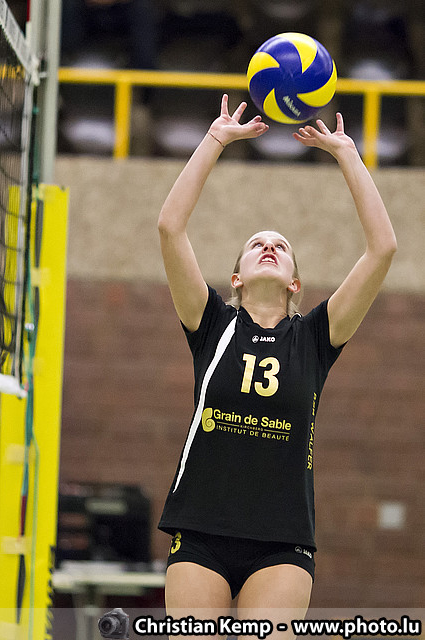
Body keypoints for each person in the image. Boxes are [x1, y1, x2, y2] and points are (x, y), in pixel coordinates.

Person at [157, 94, 397, 635]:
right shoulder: (211, 324)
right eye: (256, 244)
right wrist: (215, 139)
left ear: (294, 282)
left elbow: (382, 248)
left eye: (281, 246)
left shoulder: (315, 337)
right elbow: (170, 227)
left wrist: (348, 155)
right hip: (200, 531)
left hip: (282, 541)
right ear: (236, 278)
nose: (268, 247)